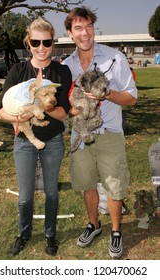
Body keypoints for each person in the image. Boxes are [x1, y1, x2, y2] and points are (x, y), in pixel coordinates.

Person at [62, 6, 137, 259]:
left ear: (94, 28)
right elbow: (65, 104)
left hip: (110, 133)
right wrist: (73, 110)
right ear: (70, 33)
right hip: (81, 136)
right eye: (79, 28)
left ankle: (116, 230)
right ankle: (94, 224)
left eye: (89, 27)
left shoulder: (114, 58)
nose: (85, 33)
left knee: (114, 186)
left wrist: (107, 94)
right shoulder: (66, 65)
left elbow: (132, 97)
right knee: (87, 184)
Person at [0, 18, 72, 256]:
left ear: (53, 43)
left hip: (53, 142)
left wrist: (45, 102)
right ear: (28, 43)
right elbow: (0, 111)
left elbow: (63, 113)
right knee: (25, 195)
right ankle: (24, 234)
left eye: (47, 42)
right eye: (36, 41)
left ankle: (50, 234)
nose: (41, 47)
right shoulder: (18, 70)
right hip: (23, 141)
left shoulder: (61, 71)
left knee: (51, 191)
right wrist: (20, 116)